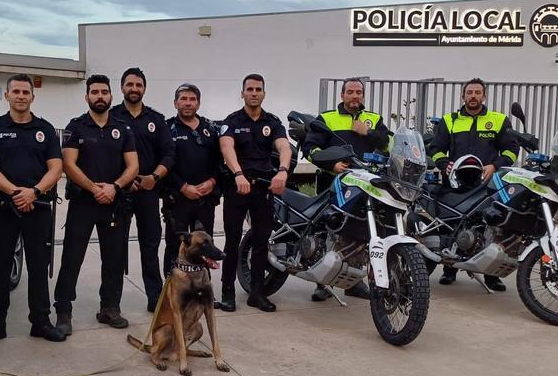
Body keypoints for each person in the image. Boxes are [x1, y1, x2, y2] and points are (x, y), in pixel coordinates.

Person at [0, 73, 66, 347]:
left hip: (37, 206)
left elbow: (56, 168)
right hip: (4, 208)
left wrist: (33, 192)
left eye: (26, 92)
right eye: (17, 92)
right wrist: (15, 192)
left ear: (32, 97)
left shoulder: (45, 129)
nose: (21, 96)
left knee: (38, 267)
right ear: (7, 95)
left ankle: (41, 322)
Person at [54, 74, 139, 332]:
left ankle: (110, 308)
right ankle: (63, 312)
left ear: (111, 96)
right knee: (72, 258)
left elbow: (133, 165)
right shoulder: (76, 126)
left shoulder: (123, 128)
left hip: (114, 203)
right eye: (95, 92)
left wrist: (113, 187)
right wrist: (94, 188)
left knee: (114, 259)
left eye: (104, 92)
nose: (99, 96)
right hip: (84, 204)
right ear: (87, 96)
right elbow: (68, 164)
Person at [302, 77, 391, 302]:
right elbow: (310, 147)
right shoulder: (327, 118)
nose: (354, 96)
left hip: (365, 185)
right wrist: (331, 164)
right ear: (342, 95)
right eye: (350, 92)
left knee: (360, 231)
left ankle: (354, 282)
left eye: (358, 92)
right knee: (326, 229)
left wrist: (367, 133)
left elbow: (388, 144)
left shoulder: (373, 119)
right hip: (333, 183)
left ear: (363, 96)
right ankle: (321, 283)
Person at [428, 77, 519, 292]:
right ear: (463, 96)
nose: (473, 96)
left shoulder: (498, 120)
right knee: (452, 223)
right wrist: (444, 164)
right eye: (469, 92)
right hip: (455, 182)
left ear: (484, 96)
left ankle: (491, 275)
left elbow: (511, 150)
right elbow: (435, 148)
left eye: (478, 92)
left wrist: (495, 166)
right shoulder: (449, 120)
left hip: (486, 184)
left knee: (489, 227)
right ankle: (450, 269)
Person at [217, 73, 291, 312]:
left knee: (261, 242)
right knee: (231, 242)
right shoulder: (233, 121)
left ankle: (256, 292)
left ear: (263, 94)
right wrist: (238, 174)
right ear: (242, 93)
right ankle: (227, 292)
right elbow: (226, 147)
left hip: (263, 188)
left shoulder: (272, 122)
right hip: (237, 187)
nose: (254, 93)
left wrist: (282, 171)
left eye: (258, 89)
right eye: (249, 89)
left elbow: (284, 146)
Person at [110, 67, 175, 312]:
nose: (134, 89)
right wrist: (122, 181)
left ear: (144, 88)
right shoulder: (112, 117)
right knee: (116, 248)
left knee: (150, 247)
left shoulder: (156, 120)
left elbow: (169, 153)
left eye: (138, 85)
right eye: (130, 84)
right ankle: (112, 303)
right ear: (122, 88)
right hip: (120, 194)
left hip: (149, 192)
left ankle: (155, 298)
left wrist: (154, 177)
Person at [162, 83, 221, 276]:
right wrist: (182, 186)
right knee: (174, 247)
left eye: (192, 99)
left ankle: (203, 291)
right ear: (175, 103)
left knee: (205, 248)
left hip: (204, 200)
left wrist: (212, 182)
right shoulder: (167, 128)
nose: (188, 103)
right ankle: (172, 293)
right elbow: (163, 164)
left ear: (198, 103)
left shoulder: (210, 129)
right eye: (183, 99)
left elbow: (220, 161)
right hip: (177, 200)